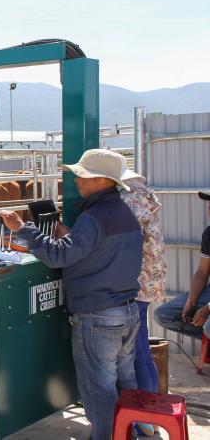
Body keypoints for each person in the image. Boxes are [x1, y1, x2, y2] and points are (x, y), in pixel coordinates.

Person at [0, 149, 143, 440]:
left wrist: (23, 228)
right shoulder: (123, 212)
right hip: (127, 311)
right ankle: (129, 434)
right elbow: (103, 252)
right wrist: (71, 236)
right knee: (125, 385)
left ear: (100, 180)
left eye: (81, 174)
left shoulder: (94, 217)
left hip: (98, 316)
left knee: (98, 391)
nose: (76, 179)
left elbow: (57, 258)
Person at [118, 156, 166, 437]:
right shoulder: (146, 196)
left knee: (137, 353)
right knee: (142, 351)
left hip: (134, 282)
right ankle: (150, 416)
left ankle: (144, 418)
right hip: (147, 281)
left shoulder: (129, 203)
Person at [153, 192, 210, 343]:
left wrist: (209, 308)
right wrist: (191, 301)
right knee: (163, 315)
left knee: (209, 326)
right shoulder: (209, 233)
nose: (209, 207)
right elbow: (203, 271)